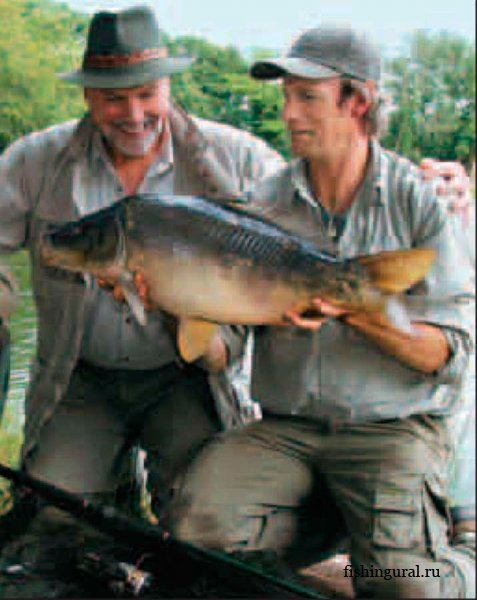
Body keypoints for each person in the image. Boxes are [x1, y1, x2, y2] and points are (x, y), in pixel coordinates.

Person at [166, 25, 475, 598]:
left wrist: (351, 308)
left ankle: (458, 564)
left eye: (307, 97)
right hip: (286, 430)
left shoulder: (421, 203)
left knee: (407, 587)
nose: (288, 114)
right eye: (286, 97)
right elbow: (220, 351)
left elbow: (449, 357)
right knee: (195, 531)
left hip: (393, 431)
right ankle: (351, 545)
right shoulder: (264, 204)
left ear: (359, 102)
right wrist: (172, 301)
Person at [0, 5, 283, 594]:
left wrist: (440, 197)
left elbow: (314, 235)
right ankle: (109, 491)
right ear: (87, 98)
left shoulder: (240, 159)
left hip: (186, 378)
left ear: (168, 86)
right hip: (81, 379)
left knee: (206, 532)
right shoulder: (34, 161)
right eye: (112, 98)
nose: (132, 115)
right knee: (56, 522)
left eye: (146, 94)